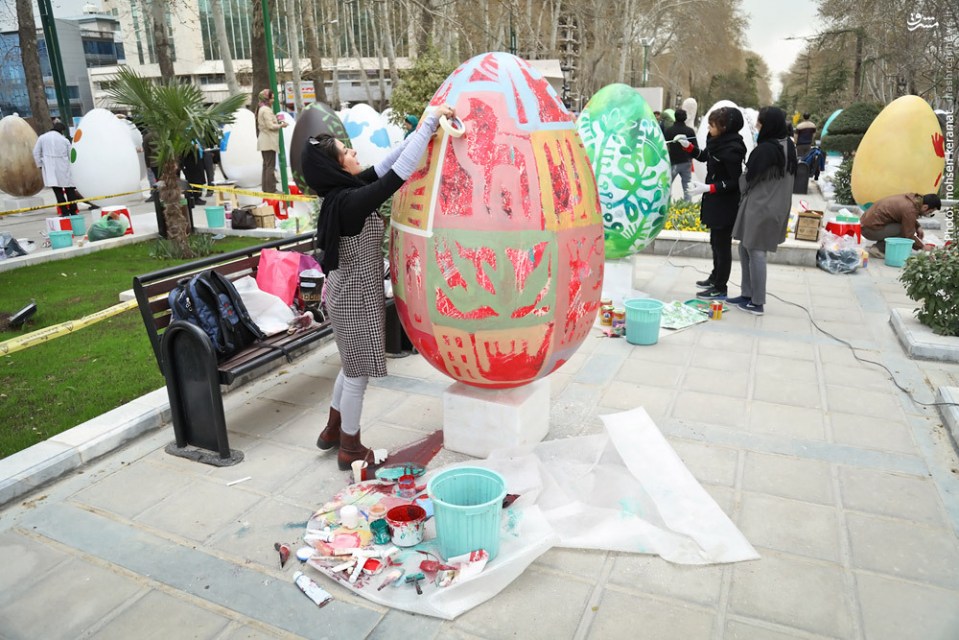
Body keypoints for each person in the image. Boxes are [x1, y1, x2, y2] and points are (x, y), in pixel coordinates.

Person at [303, 104, 456, 470]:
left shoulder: (343, 193)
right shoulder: (350, 203)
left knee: (349, 367)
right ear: (337, 167)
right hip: (354, 298)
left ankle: (333, 430)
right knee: (357, 376)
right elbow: (396, 177)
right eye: (346, 152)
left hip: (346, 293)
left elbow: (386, 165)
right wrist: (430, 122)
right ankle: (350, 447)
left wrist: (418, 134)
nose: (354, 152)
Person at [726, 107, 798, 316]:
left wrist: (741, 182)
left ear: (768, 125)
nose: (757, 126)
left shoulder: (766, 149)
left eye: (760, 122)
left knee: (756, 251)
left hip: (761, 206)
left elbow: (748, 179)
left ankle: (757, 301)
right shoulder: (787, 145)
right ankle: (746, 294)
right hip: (775, 205)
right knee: (745, 247)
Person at [678, 107, 747, 300]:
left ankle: (720, 286)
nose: (709, 128)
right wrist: (689, 148)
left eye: (712, 125)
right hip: (714, 200)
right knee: (714, 241)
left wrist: (710, 188)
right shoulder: (717, 141)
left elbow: (735, 182)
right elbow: (705, 156)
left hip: (725, 203)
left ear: (725, 127)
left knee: (722, 246)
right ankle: (715, 276)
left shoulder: (733, 148)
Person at [862, 193, 941, 258]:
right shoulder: (910, 209)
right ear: (925, 207)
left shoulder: (912, 200)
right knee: (902, 230)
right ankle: (878, 249)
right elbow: (908, 234)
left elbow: (905, 217)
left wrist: (918, 227)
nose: (928, 214)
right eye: (930, 212)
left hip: (868, 224)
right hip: (869, 230)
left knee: (904, 228)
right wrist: (922, 247)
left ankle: (881, 246)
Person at [33, 122, 81, 216]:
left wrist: (40, 164)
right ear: (62, 131)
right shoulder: (64, 140)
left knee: (58, 191)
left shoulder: (42, 137)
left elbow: (36, 152)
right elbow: (71, 155)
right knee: (69, 189)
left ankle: (64, 211)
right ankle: (73, 210)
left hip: (49, 167)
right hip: (64, 166)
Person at [256, 88, 287, 193]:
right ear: (266, 99)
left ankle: (266, 188)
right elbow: (270, 126)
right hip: (268, 141)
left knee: (266, 165)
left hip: (264, 141)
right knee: (270, 166)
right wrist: (281, 125)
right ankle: (271, 189)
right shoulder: (266, 110)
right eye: (272, 98)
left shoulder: (262, 108)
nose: (273, 100)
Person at [664, 109, 697, 202]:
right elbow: (695, 147)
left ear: (675, 117)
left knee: (668, 185)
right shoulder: (690, 131)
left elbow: (664, 146)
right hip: (686, 161)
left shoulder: (669, 130)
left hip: (672, 161)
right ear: (685, 118)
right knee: (687, 186)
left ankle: (666, 203)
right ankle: (688, 204)